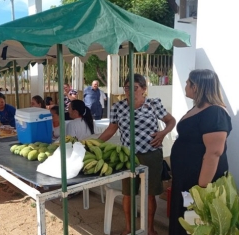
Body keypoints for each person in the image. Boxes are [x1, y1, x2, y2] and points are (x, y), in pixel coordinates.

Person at [98, 74, 176, 235]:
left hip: (151, 155)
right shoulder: (118, 107)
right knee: (128, 193)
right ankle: (129, 227)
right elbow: (111, 129)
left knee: (149, 194)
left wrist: (162, 133)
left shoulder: (154, 104)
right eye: (127, 88)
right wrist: (94, 145)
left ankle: (150, 228)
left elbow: (171, 121)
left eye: (134, 88)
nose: (129, 91)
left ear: (143, 89)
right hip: (129, 156)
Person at [169, 69, 232, 235]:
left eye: (188, 82)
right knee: (185, 219)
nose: (185, 85)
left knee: (196, 221)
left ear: (196, 86)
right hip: (186, 178)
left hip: (199, 181)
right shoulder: (198, 108)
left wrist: (201, 188)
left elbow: (214, 153)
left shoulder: (215, 112)